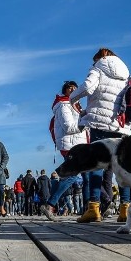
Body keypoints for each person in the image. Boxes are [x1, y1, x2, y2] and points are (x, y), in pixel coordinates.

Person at [71, 47, 131, 224]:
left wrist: (71, 99)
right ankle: (125, 209)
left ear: (99, 58)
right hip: (122, 126)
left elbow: (88, 87)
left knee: (96, 165)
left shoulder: (98, 67)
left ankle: (94, 209)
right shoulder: (126, 72)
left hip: (100, 122)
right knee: (121, 165)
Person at [40, 81, 88, 221]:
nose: (73, 89)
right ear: (65, 90)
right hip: (71, 146)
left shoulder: (76, 105)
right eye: (70, 88)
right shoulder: (63, 105)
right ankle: (50, 204)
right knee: (72, 176)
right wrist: (86, 123)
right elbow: (69, 127)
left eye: (75, 87)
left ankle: (91, 208)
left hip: (80, 144)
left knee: (85, 176)